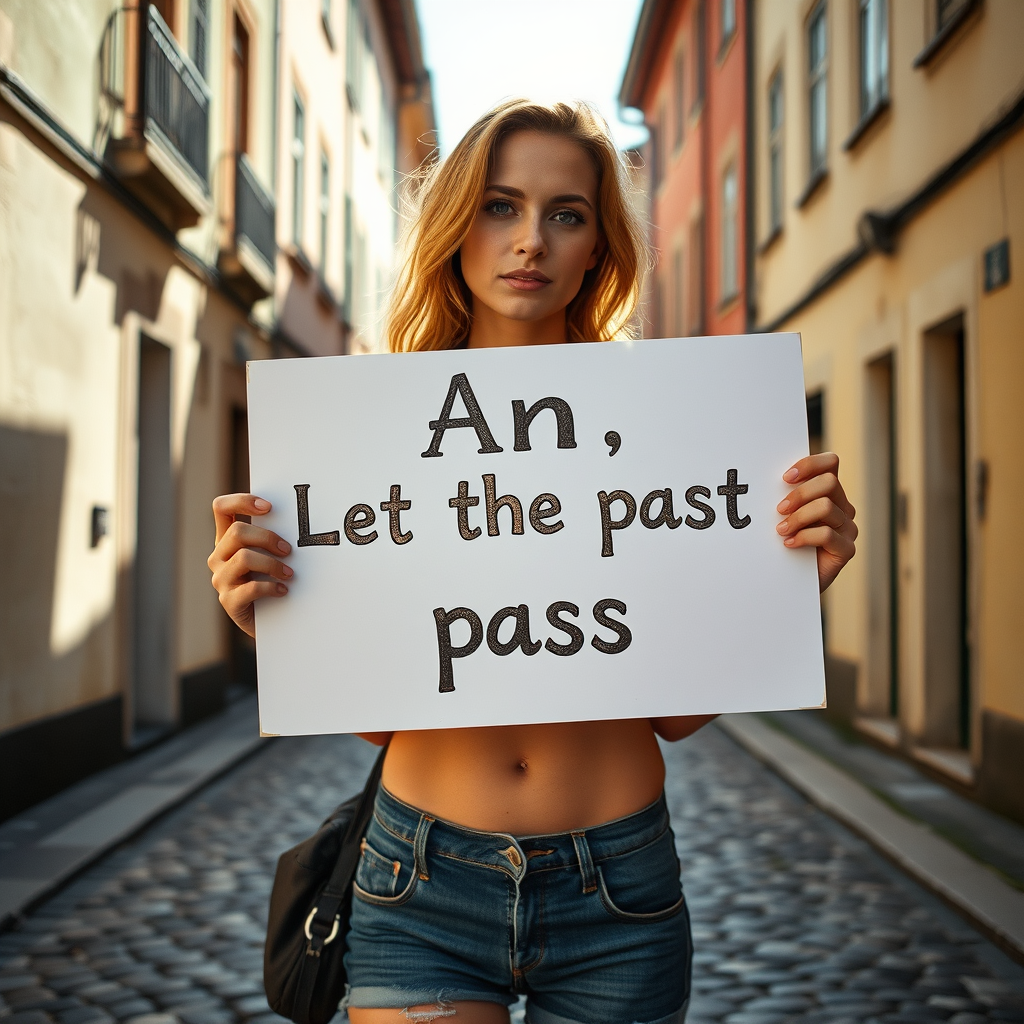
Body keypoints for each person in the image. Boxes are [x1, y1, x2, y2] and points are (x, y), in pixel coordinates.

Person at [208, 100, 857, 1024]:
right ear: (455, 224)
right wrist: (282, 627)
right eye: (500, 206)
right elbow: (388, 716)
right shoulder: (369, 432)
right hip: (419, 878)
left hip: (618, 888)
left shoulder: (663, 424)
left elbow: (670, 716)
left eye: (566, 214)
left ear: (597, 246)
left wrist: (790, 582)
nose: (531, 241)